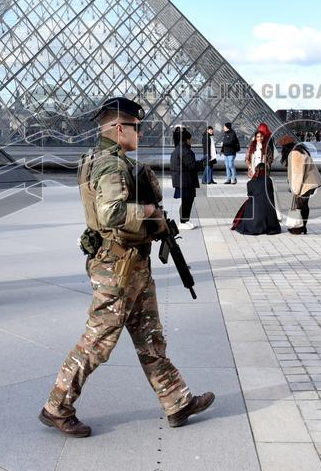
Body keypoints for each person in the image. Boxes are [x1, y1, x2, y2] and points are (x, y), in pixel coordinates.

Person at [40, 97, 214, 438]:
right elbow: (111, 215)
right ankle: (56, 406)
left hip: (130, 265)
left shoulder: (99, 159)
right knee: (98, 341)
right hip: (116, 269)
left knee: (150, 337)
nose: (141, 132)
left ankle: (177, 402)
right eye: (136, 126)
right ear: (120, 128)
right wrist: (150, 213)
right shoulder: (112, 166)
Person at [280, 136, 321, 235]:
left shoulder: (295, 154)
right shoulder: (301, 150)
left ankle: (299, 227)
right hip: (309, 182)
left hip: (305, 184)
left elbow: (297, 173)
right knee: (304, 205)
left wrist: (296, 190)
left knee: (300, 205)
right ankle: (303, 226)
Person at [232, 164, 283, 235]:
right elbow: (271, 195)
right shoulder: (268, 181)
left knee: (249, 204)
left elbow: (250, 195)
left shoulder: (250, 183)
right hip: (269, 216)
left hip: (254, 217)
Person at [170, 127, 200, 230]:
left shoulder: (178, 149)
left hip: (182, 180)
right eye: (190, 139)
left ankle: (185, 221)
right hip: (186, 180)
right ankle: (183, 222)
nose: (191, 140)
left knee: (186, 201)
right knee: (187, 202)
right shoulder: (185, 151)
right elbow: (192, 166)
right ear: (186, 139)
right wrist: (203, 163)